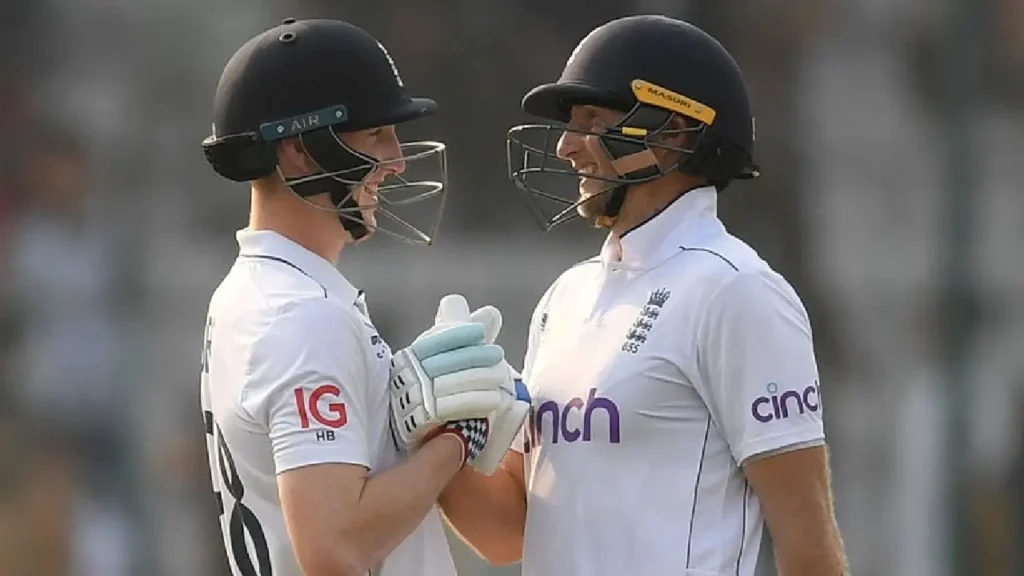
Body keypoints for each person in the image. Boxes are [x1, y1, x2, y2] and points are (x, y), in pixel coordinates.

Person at [438, 15, 849, 576]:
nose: (565, 147)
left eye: (591, 121)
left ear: (676, 133)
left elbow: (807, 532)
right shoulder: (568, 296)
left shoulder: (737, 291)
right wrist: (439, 441)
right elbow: (511, 532)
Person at [198, 18, 526, 576]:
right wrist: (452, 439)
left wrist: (416, 425)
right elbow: (336, 551)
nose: (397, 160)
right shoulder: (301, 317)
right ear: (300, 150)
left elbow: (503, 539)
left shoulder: (254, 294)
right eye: (375, 134)